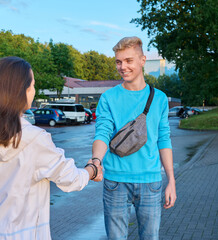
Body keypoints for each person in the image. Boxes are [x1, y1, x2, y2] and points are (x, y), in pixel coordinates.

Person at [0, 56, 102, 239]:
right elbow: (71, 180)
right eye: (32, 85)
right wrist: (92, 169)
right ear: (19, 90)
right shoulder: (35, 139)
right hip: (24, 233)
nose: (34, 91)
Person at [91, 37, 177, 240]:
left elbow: (163, 139)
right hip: (115, 181)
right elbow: (102, 133)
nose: (122, 67)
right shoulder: (108, 98)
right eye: (118, 62)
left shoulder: (160, 98)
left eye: (128, 60)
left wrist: (171, 180)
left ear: (142, 60)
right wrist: (96, 161)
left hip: (150, 182)